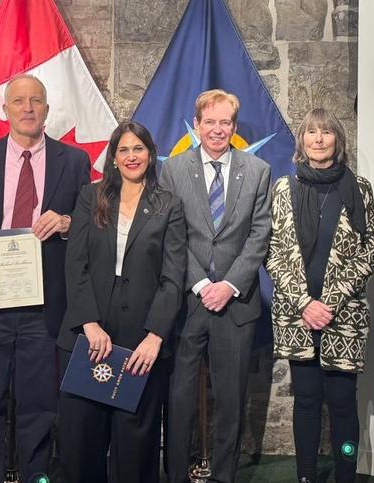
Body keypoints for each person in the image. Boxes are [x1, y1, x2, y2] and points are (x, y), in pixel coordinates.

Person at [0, 74, 92, 483]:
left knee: (40, 405)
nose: (28, 108)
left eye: (36, 101)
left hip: (45, 308)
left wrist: (66, 222)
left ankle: (35, 477)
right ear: (5, 109)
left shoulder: (74, 161)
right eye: (19, 101)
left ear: (47, 109)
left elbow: (92, 226)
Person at [57, 121, 187, 483]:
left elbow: (173, 277)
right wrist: (89, 322)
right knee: (82, 441)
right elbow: (76, 263)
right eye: (124, 150)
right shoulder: (91, 196)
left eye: (139, 149)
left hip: (141, 338)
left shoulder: (168, 206)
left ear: (150, 154)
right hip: (89, 334)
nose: (132, 156)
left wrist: (155, 336)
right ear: (113, 158)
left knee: (135, 445)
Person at [163, 89, 272, 483]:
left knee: (231, 400)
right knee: (179, 399)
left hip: (236, 304)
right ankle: (176, 473)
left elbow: (260, 234)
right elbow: (170, 235)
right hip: (187, 303)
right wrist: (201, 283)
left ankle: (223, 475)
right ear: (197, 125)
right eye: (209, 122)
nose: (217, 129)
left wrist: (229, 284)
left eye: (225, 122)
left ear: (235, 127)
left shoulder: (257, 170)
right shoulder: (173, 170)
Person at [265, 109, 374, 483]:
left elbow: (371, 247)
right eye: (311, 132)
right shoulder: (284, 187)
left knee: (344, 404)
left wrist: (331, 301)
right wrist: (304, 303)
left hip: (342, 316)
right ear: (301, 141)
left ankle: (346, 472)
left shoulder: (358, 187)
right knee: (307, 402)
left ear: (337, 140)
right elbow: (273, 251)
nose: (318, 139)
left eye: (326, 132)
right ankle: (306, 475)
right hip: (298, 316)